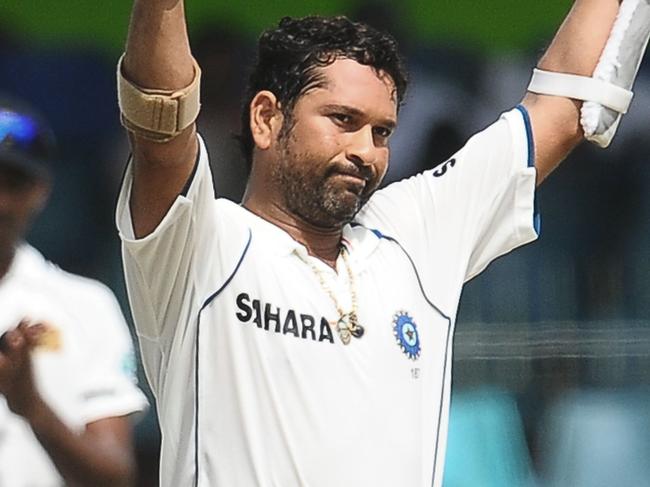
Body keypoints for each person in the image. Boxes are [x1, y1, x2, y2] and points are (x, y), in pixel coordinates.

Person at [115, 1, 634, 486]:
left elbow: (565, 106)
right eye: (343, 121)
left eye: (382, 132)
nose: (365, 151)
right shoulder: (201, 244)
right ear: (267, 118)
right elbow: (162, 118)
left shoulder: (414, 236)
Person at [0, 97, 148, 486]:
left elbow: (116, 476)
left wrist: (32, 408)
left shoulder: (86, 306)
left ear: (41, 190)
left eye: (13, 181)